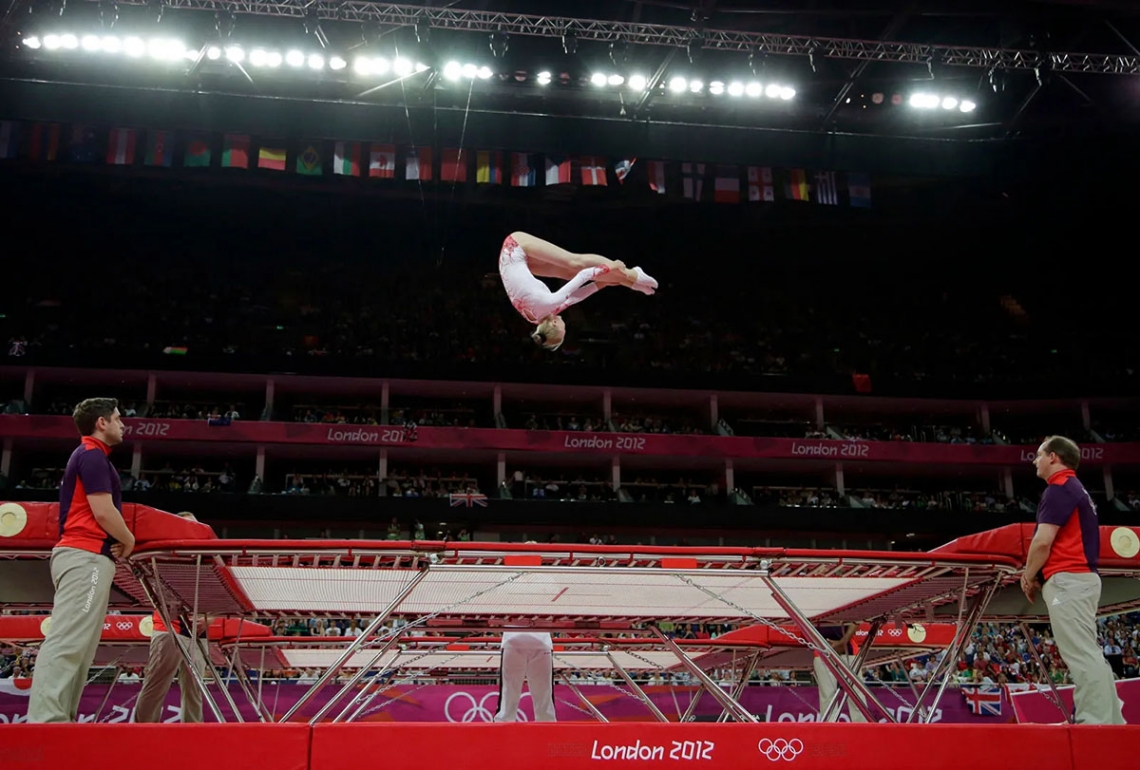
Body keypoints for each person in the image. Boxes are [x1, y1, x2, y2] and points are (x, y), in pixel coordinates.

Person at [27, 398, 133, 723]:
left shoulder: (92, 457)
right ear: (101, 423)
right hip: (84, 558)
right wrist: (127, 538)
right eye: (117, 419)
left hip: (87, 557)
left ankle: (59, 720)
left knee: (81, 647)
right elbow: (102, 510)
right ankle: (45, 720)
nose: (122, 424)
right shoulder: (92, 456)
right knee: (70, 640)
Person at [1021, 434, 1124, 725]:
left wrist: (1028, 576)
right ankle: (1110, 721)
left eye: (1039, 454)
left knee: (1080, 654)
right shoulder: (1077, 489)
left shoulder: (1059, 489)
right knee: (1088, 652)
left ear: (1054, 457)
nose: (1035, 460)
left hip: (1069, 579)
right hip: (1081, 578)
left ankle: (1094, 721)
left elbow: (1042, 542)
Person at [499, 231, 658, 351]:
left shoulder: (549, 304)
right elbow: (576, 298)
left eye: (563, 329)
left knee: (574, 263)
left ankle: (633, 274)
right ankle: (630, 283)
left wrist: (612, 266)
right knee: (569, 273)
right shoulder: (538, 317)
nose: (565, 325)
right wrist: (606, 283)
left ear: (554, 324)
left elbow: (585, 275)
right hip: (517, 262)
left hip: (515, 246)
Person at [134, 510, 207, 724]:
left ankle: (192, 734)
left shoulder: (207, 560)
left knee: (195, 689)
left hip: (197, 632)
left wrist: (209, 619)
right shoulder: (161, 555)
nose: (193, 530)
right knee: (156, 684)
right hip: (168, 628)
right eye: (187, 526)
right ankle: (141, 732)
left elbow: (215, 600)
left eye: (196, 526)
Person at [494, 631, 557, 723]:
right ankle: (501, 732)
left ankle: (548, 732)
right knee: (508, 695)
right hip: (512, 641)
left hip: (541, 642)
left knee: (544, 694)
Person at [813, 622, 868, 722]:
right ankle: (831, 733)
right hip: (822, 648)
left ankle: (863, 732)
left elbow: (855, 620)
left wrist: (843, 642)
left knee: (856, 697)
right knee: (828, 698)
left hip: (848, 649)